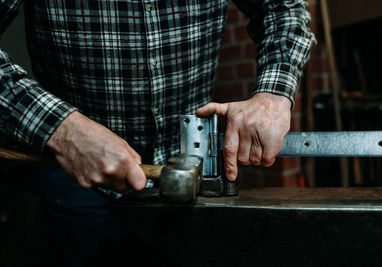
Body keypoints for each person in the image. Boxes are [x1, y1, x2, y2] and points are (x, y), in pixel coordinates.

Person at [0, 0, 315, 266]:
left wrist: (274, 94)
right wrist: (63, 130)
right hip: (75, 178)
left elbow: (281, 6)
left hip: (197, 178)